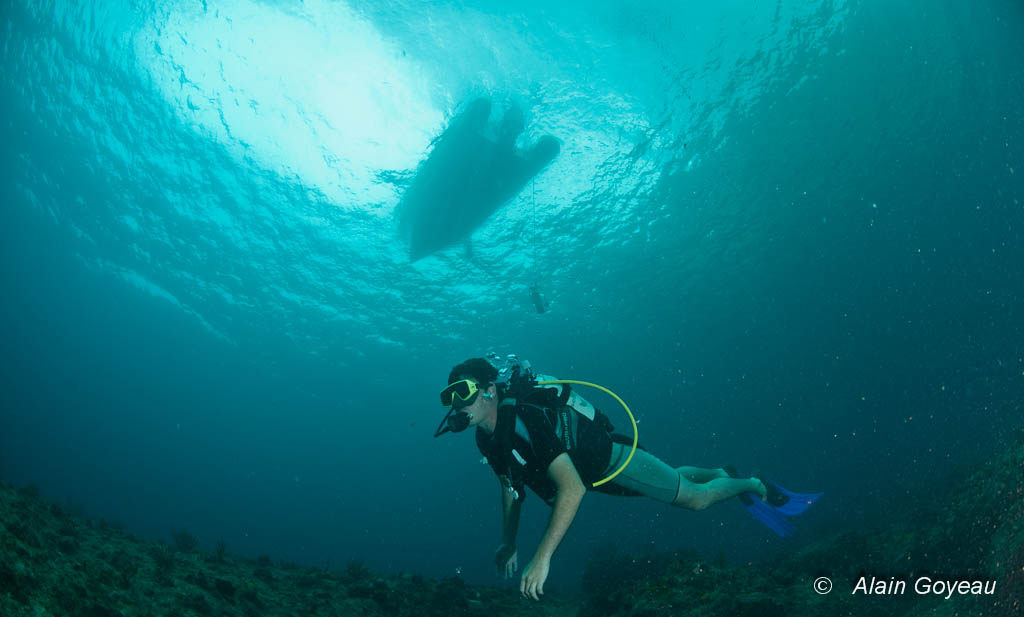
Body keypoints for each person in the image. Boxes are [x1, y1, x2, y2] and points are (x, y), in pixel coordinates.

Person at [435, 357, 819, 602]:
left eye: (463, 392)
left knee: (694, 500)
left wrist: (542, 557)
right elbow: (508, 486)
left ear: (488, 391)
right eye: (450, 397)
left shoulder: (525, 415)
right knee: (669, 481)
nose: (457, 404)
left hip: (609, 459)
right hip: (596, 473)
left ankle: (752, 484)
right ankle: (722, 474)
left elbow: (571, 488)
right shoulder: (487, 438)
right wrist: (508, 541)